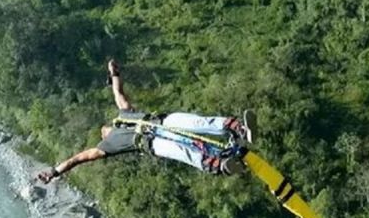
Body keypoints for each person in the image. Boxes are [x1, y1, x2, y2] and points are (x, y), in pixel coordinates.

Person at [37, 60, 256, 184]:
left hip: (162, 121)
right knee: (184, 151)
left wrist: (114, 73)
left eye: (104, 128)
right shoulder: (107, 146)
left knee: (197, 123)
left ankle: (236, 127)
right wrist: (55, 172)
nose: (104, 130)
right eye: (103, 132)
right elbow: (79, 158)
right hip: (152, 143)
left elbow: (118, 92)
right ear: (104, 136)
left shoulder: (124, 114)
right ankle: (220, 166)